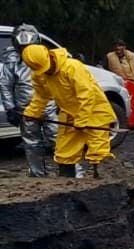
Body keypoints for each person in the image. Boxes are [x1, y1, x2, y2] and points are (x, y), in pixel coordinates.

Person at [21, 42, 117, 178]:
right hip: (69, 114)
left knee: (98, 152)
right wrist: (32, 112)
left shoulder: (72, 67)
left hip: (95, 112)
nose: (46, 71)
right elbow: (41, 95)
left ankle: (105, 185)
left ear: (49, 55)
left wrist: (83, 119)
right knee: (64, 154)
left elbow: (86, 94)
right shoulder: (39, 75)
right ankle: (66, 186)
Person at [1, 27, 54, 177]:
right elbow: (6, 85)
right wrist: (10, 108)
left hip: (49, 105)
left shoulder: (47, 56)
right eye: (23, 48)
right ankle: (38, 175)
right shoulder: (11, 61)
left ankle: (71, 172)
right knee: (32, 143)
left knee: (60, 141)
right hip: (25, 109)